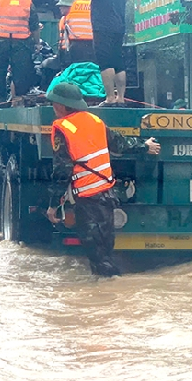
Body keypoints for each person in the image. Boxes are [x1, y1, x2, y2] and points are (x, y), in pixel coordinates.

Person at [45, 83, 161, 276]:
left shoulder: (62, 129)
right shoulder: (95, 120)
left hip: (88, 200)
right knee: (105, 250)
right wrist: (144, 145)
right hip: (107, 196)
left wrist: (53, 205)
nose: (53, 108)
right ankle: (110, 291)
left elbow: (62, 170)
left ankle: (109, 293)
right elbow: (120, 143)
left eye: (54, 104)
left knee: (99, 258)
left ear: (64, 106)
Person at [81, 0, 128, 106]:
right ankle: (121, 98)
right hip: (119, 21)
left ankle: (109, 98)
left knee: (105, 59)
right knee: (117, 59)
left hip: (104, 21)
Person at [0, 0, 40, 103]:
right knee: (20, 72)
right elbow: (34, 26)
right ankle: (18, 98)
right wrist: (37, 43)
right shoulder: (28, 3)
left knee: (0, 71)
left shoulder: (1, 1)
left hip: (1, 42)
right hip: (21, 43)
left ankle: (0, 98)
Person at [65, 0, 95, 65]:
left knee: (76, 67)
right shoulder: (94, 4)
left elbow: (66, 21)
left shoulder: (73, 4)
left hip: (76, 42)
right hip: (93, 42)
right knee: (92, 67)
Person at [56, 0, 75, 65]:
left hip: (71, 51)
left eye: (62, 6)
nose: (60, 8)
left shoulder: (72, 19)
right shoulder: (63, 19)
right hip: (64, 51)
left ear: (69, 7)